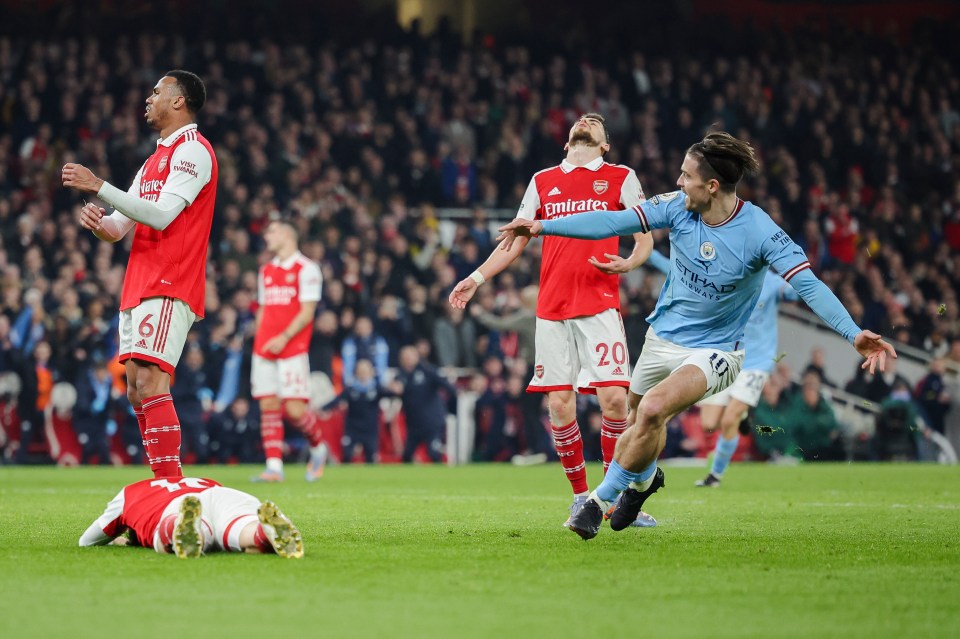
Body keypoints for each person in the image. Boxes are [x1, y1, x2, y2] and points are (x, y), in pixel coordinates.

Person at [498, 131, 896, 540]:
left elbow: (808, 284)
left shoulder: (759, 230)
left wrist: (852, 333)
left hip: (717, 350)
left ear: (712, 186)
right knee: (632, 435)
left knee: (653, 410)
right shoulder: (677, 207)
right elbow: (611, 220)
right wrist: (542, 226)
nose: (677, 182)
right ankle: (645, 482)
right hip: (662, 338)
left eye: (686, 176)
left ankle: (595, 505)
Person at [449, 113, 654, 527]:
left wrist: (631, 262)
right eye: (582, 120)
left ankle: (611, 497)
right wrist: (475, 278)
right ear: (567, 142)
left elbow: (645, 234)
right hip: (552, 309)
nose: (587, 121)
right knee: (560, 406)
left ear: (605, 144)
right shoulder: (543, 180)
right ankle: (582, 499)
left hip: (599, 303)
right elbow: (516, 239)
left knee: (614, 400)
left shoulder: (620, 176)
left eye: (596, 122)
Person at [62, 70, 217, 478]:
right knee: (134, 389)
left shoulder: (193, 150)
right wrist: (99, 223)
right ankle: (161, 484)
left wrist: (99, 185)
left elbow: (163, 216)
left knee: (151, 382)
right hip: (139, 282)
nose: (148, 98)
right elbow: (119, 227)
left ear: (179, 100)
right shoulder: (151, 162)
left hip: (170, 279)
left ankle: (169, 486)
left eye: (156, 92)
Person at [696, 269, 799, 487]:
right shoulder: (729, 275)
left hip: (757, 363)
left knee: (728, 420)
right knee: (708, 423)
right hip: (728, 357)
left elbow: (792, 292)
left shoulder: (771, 282)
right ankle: (743, 416)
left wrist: (799, 283)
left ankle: (715, 476)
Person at [250, 218, 327, 482]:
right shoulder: (266, 270)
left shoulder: (307, 269)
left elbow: (307, 313)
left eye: (271, 231)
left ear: (286, 235)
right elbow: (263, 308)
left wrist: (283, 337)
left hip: (292, 347)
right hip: (265, 348)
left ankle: (318, 447)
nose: (267, 236)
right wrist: (259, 340)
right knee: (268, 405)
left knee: (294, 410)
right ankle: (274, 467)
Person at [79, 476, 303, 559]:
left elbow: (87, 541)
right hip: (222, 493)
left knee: (186, 531)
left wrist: (119, 540)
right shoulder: (202, 479)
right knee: (238, 529)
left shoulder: (129, 492)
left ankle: (180, 529)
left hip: (175, 507)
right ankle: (263, 532)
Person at [390, 345, 456, 463]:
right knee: (407, 455)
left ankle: (443, 477)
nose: (406, 360)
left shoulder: (428, 371)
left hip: (432, 422)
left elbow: (447, 386)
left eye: (409, 356)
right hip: (413, 425)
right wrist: (392, 390)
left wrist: (454, 402)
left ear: (416, 357)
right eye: (404, 357)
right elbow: (392, 391)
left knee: (433, 452)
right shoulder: (400, 375)